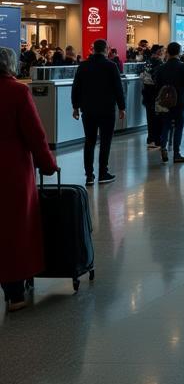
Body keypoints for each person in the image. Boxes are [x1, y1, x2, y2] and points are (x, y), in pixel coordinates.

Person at [0, 46, 59, 311]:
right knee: (14, 228)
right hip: (11, 171)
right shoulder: (17, 92)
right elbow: (35, 134)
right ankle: (14, 293)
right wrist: (48, 165)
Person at [70, 39, 125, 185]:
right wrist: (122, 107)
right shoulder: (111, 66)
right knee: (105, 141)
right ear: (106, 50)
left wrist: (75, 106)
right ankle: (103, 173)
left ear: (93, 49)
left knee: (89, 141)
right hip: (107, 109)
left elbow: (76, 87)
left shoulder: (83, 66)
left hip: (88, 109)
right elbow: (118, 88)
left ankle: (89, 175)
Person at [155, 41, 184, 164]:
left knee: (166, 125)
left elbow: (157, 84)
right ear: (178, 52)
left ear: (168, 52)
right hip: (179, 101)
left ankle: (163, 147)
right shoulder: (182, 66)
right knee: (179, 126)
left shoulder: (162, 67)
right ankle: (176, 154)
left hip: (165, 101)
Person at [141, 44, 164, 148]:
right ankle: (156, 140)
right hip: (155, 93)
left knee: (150, 117)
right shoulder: (158, 62)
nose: (163, 52)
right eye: (162, 51)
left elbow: (143, 74)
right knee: (156, 117)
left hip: (147, 92)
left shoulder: (147, 61)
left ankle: (150, 139)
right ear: (158, 52)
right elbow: (157, 78)